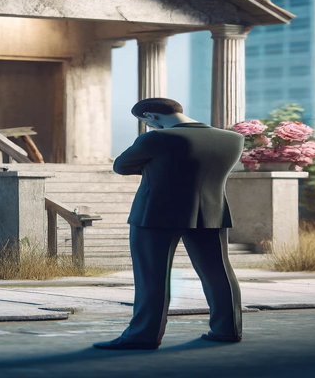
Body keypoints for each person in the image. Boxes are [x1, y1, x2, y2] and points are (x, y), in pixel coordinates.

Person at [93, 98, 245, 350]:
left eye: (144, 122)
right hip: (210, 211)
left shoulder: (156, 139)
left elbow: (121, 166)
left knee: (152, 278)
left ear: (150, 116)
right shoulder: (232, 139)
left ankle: (143, 336)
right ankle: (227, 330)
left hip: (155, 213)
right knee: (219, 272)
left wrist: (159, 165)